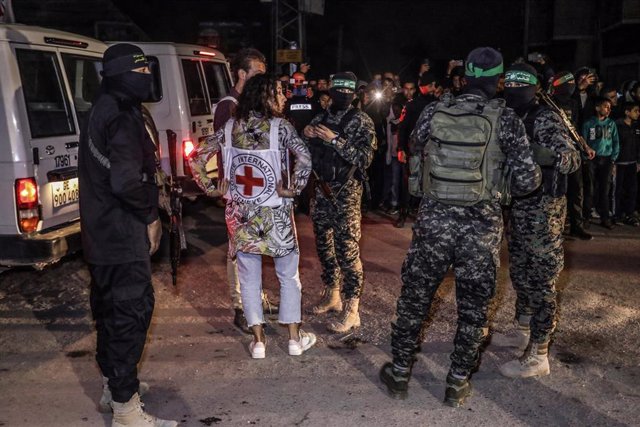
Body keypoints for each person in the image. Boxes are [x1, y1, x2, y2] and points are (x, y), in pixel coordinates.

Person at [379, 47, 541, 407]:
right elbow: (529, 181)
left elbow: (414, 146)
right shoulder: (507, 119)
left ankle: (401, 372)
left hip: (434, 222)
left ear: (464, 77)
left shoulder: (436, 109)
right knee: (473, 307)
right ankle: (456, 381)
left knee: (415, 299)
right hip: (481, 229)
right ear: (497, 81)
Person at [79, 43, 177, 426]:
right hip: (121, 231)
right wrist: (151, 215)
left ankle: (114, 385)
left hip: (100, 232)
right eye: (141, 73)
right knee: (130, 315)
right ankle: (126, 409)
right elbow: (125, 181)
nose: (147, 80)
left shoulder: (101, 107)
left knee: (108, 312)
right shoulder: (121, 114)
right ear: (125, 75)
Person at [190, 74, 315, 358]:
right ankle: (295, 339)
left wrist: (210, 187)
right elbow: (305, 158)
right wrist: (293, 187)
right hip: (276, 215)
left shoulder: (230, 127)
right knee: (288, 276)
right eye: (279, 93)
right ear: (266, 97)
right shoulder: (281, 128)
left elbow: (196, 157)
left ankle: (258, 342)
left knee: (248, 279)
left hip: (242, 215)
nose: (284, 98)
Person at [492, 63, 581, 379]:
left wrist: (545, 155)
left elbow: (572, 159)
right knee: (519, 270)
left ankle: (539, 354)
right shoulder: (509, 115)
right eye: (509, 84)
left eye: (520, 85)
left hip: (544, 210)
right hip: (516, 206)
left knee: (541, 279)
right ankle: (524, 330)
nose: (513, 91)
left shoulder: (545, 117)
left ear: (532, 88)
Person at [303, 71, 377, 333]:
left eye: (347, 92)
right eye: (337, 91)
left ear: (353, 94)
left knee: (347, 250)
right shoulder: (321, 117)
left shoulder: (361, 121)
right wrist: (308, 132)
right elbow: (304, 149)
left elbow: (366, 158)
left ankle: (352, 308)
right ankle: (332, 294)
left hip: (346, 193)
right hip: (321, 190)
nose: (341, 96)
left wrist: (335, 141)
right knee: (324, 246)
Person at [212, 48, 270, 334]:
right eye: (257, 73)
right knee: (237, 250)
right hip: (238, 191)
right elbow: (225, 149)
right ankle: (240, 306)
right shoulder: (229, 106)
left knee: (254, 246)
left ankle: (254, 299)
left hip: (255, 191)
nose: (262, 79)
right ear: (242, 74)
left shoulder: (253, 104)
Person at [549, 71, 596, 240]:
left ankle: (577, 226)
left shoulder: (574, 103)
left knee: (577, 191)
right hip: (556, 153)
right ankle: (555, 228)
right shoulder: (549, 102)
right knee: (557, 191)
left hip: (573, 151)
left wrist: (585, 146)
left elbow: (574, 127)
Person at [395, 72, 438, 228]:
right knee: (409, 184)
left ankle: (423, 216)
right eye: (431, 85)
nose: (433, 88)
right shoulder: (412, 105)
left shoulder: (438, 104)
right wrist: (401, 149)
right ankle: (403, 214)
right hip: (414, 150)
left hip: (431, 152)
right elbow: (402, 128)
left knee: (428, 184)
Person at [582, 97, 620, 229]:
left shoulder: (611, 124)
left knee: (605, 190)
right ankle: (585, 217)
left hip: (607, 159)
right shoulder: (588, 123)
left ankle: (605, 218)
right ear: (597, 108)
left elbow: (616, 142)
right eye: (605, 106)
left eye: (610, 107)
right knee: (590, 189)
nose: (608, 109)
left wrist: (613, 159)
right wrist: (585, 157)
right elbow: (583, 141)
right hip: (592, 160)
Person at [614, 102, 640, 226]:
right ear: (627, 112)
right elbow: (614, 144)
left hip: (632, 163)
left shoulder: (636, 126)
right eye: (635, 111)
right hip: (619, 163)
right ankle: (617, 215)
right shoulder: (617, 125)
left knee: (632, 190)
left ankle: (629, 214)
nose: (638, 113)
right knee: (618, 190)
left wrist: (638, 161)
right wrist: (613, 161)